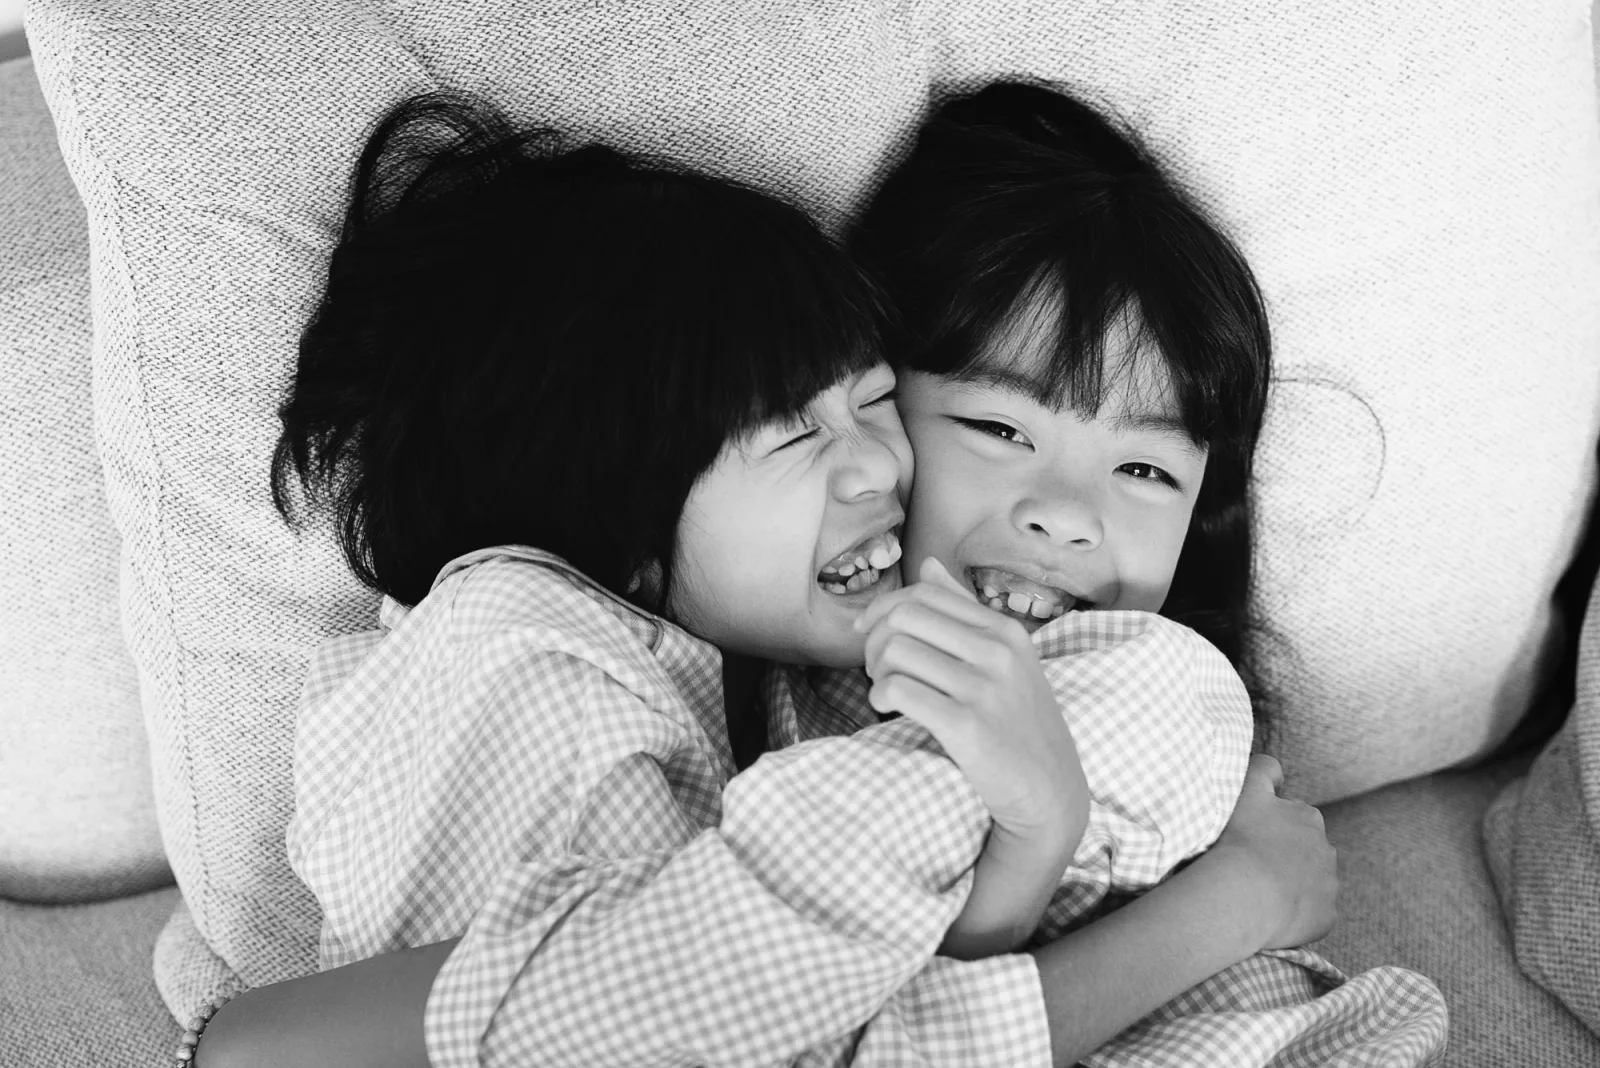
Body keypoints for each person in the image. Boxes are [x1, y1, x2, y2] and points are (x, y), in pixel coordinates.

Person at [194, 90, 1341, 1068]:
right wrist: (1213, 905)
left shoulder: (806, 689)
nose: (873, 465)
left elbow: (817, 1011)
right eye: (990, 427)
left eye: (870, 403)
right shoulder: (526, 650)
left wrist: (1041, 846)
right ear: (617, 506)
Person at [824, 80, 1446, 1064]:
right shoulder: (803, 681)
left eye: (1145, 469)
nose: (1068, 515)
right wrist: (1238, 900)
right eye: (997, 428)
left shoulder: (1157, 703)